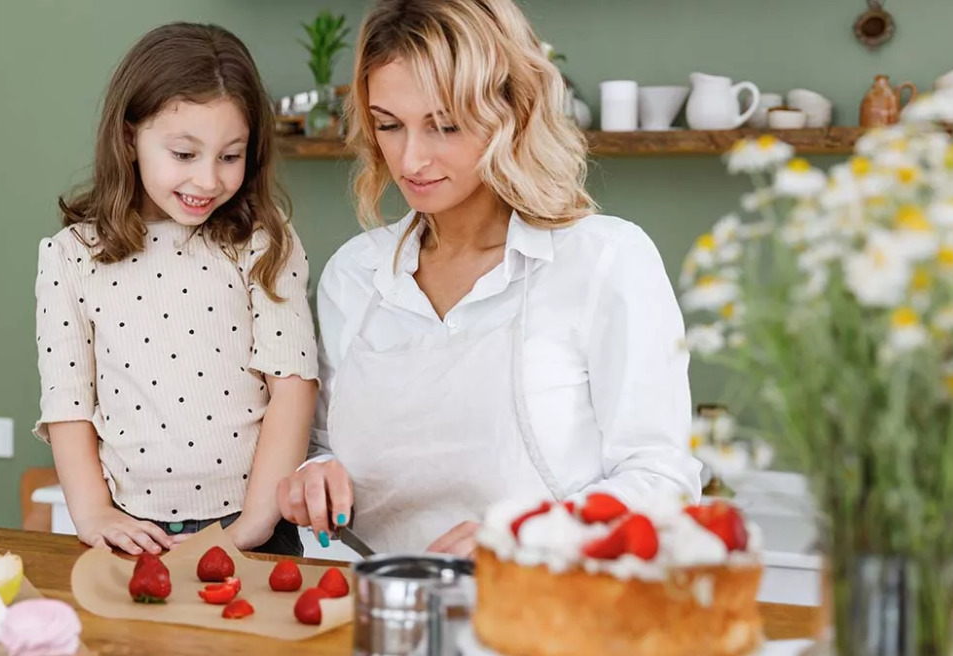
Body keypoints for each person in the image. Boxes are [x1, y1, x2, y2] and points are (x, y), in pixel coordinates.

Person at [277, 0, 701, 557]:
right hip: (379, 600)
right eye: (389, 125)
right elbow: (322, 445)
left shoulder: (604, 259)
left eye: (444, 125)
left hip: (544, 601)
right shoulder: (354, 274)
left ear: (511, 111)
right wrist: (314, 473)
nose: (410, 159)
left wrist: (525, 538)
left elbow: (664, 479)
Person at [34, 22, 317, 557]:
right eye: (185, 154)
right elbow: (67, 401)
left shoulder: (264, 240)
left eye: (230, 156)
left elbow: (293, 385)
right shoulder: (70, 256)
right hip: (132, 530)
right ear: (129, 139)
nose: (208, 180)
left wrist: (254, 525)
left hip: (253, 525)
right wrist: (93, 513)